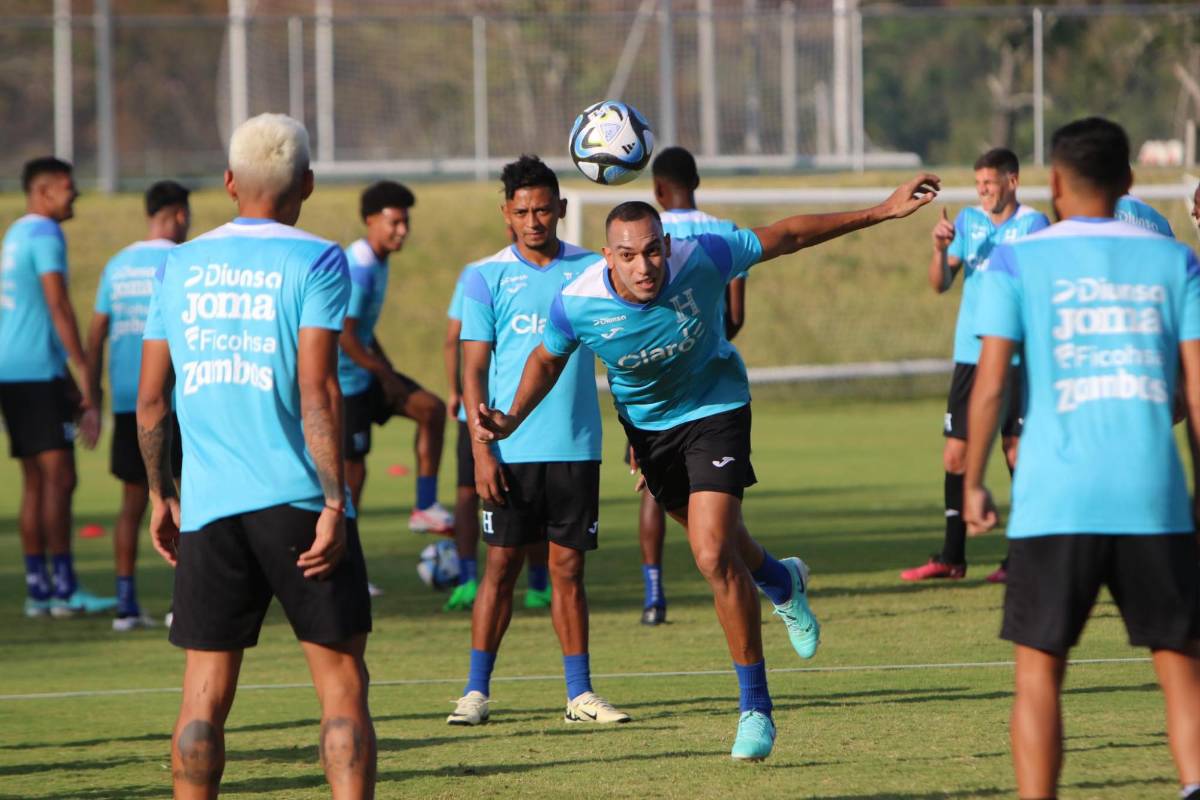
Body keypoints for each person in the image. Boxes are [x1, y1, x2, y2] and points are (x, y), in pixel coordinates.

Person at [475, 172, 941, 760]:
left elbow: (788, 236)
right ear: (607, 258)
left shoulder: (704, 256)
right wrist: (512, 419)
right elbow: (546, 361)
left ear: (667, 246)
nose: (644, 266)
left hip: (716, 407)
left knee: (711, 552)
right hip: (650, 432)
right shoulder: (578, 304)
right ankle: (781, 581)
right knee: (719, 541)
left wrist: (880, 211)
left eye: (652, 251)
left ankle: (756, 709)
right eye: (627, 256)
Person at [138, 113, 374, 799]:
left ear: (229, 182)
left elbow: (151, 401)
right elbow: (318, 389)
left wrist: (162, 493)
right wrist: (335, 501)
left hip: (210, 507)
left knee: (202, 696)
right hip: (298, 500)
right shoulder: (318, 258)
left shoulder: (178, 264)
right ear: (307, 182)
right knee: (341, 686)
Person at [964, 116, 1200, 800]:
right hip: (1152, 496)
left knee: (1039, 674)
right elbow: (1196, 390)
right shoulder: (1178, 261)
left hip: (1053, 498)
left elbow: (990, 384)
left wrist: (973, 480)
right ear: (1128, 181)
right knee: (1181, 667)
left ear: (1056, 186)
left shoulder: (1019, 261)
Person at [447, 155, 627, 727]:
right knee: (500, 568)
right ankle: (475, 692)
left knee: (567, 571)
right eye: (522, 212)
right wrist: (482, 451)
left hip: (575, 445)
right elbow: (473, 370)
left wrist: (637, 432)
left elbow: (621, 353)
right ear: (506, 213)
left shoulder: (592, 271)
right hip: (510, 450)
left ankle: (580, 695)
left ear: (561, 209)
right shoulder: (484, 276)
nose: (533, 221)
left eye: (543, 210)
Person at [901, 149, 1049, 585]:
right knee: (955, 455)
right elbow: (941, 284)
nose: (983, 190)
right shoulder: (968, 222)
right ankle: (952, 557)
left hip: (1017, 356)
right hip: (970, 354)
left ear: (1012, 181)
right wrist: (939, 250)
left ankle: (1022, 558)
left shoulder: (1034, 226)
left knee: (1016, 452)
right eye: (978, 183)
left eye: (990, 182)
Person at [627, 146, 751, 626]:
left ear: (658, 189)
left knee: (653, 488)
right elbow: (735, 317)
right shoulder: (724, 232)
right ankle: (746, 573)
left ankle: (654, 595)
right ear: (696, 181)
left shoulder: (653, 239)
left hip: (655, 387)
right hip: (713, 391)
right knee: (717, 494)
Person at [0, 156, 113, 618]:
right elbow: (58, 306)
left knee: (35, 482)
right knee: (61, 479)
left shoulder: (15, 234)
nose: (76, 194)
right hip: (35, 374)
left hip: (15, 372)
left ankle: (38, 590)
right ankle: (65, 590)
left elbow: (29, 317)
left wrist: (64, 379)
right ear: (43, 191)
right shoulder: (46, 233)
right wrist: (85, 373)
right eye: (69, 187)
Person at [86, 180, 190, 631]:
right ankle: (183, 601)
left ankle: (126, 604)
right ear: (180, 214)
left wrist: (93, 395)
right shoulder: (181, 261)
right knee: (187, 498)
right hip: (174, 399)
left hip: (129, 400)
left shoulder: (117, 265)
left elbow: (96, 336)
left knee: (134, 502)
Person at [339, 181, 453, 540]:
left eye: (406, 222)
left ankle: (425, 507)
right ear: (370, 220)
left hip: (366, 373)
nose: (402, 230)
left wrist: (384, 367)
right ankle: (343, 555)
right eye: (394, 223)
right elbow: (344, 335)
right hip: (343, 384)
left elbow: (363, 329)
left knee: (431, 410)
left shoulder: (379, 260)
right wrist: (384, 374)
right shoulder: (359, 267)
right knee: (353, 473)